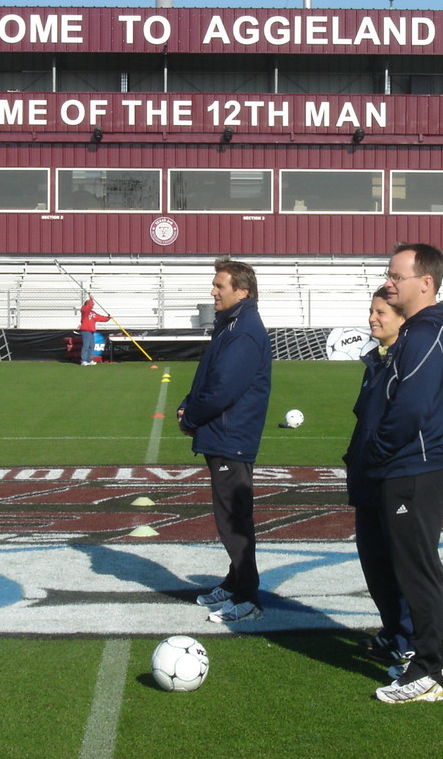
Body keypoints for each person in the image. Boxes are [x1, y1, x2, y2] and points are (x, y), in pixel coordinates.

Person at [367, 242, 443, 705]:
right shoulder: (421, 331)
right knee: (419, 566)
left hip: (412, 468)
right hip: (411, 466)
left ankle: (428, 670)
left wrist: (378, 452)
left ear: (425, 283)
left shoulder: (424, 334)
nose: (389, 282)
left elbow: (410, 410)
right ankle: (434, 662)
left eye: (396, 276)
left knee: (417, 569)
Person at [178, 258, 272, 624]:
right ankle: (235, 583)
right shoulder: (231, 325)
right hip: (222, 435)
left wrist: (193, 416)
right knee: (229, 517)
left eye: (220, 286)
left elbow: (223, 390)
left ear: (242, 292)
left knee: (233, 521)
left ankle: (247, 596)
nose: (213, 291)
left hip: (231, 438)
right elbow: (209, 377)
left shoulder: (244, 330)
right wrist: (189, 405)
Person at [344, 288, 415, 670]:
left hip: (394, 476)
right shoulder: (377, 361)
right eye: (370, 311)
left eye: (381, 312)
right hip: (367, 474)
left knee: (398, 562)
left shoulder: (406, 359)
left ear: (402, 318)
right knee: (373, 561)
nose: (372, 318)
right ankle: (394, 632)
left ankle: (410, 642)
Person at [78, 295, 110, 366]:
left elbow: (99, 317)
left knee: (91, 346)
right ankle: (83, 360)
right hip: (85, 331)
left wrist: (107, 318)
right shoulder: (84, 310)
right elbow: (88, 307)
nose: (92, 306)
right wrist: (91, 300)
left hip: (91, 331)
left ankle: (89, 359)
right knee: (86, 346)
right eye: (92, 304)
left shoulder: (93, 313)